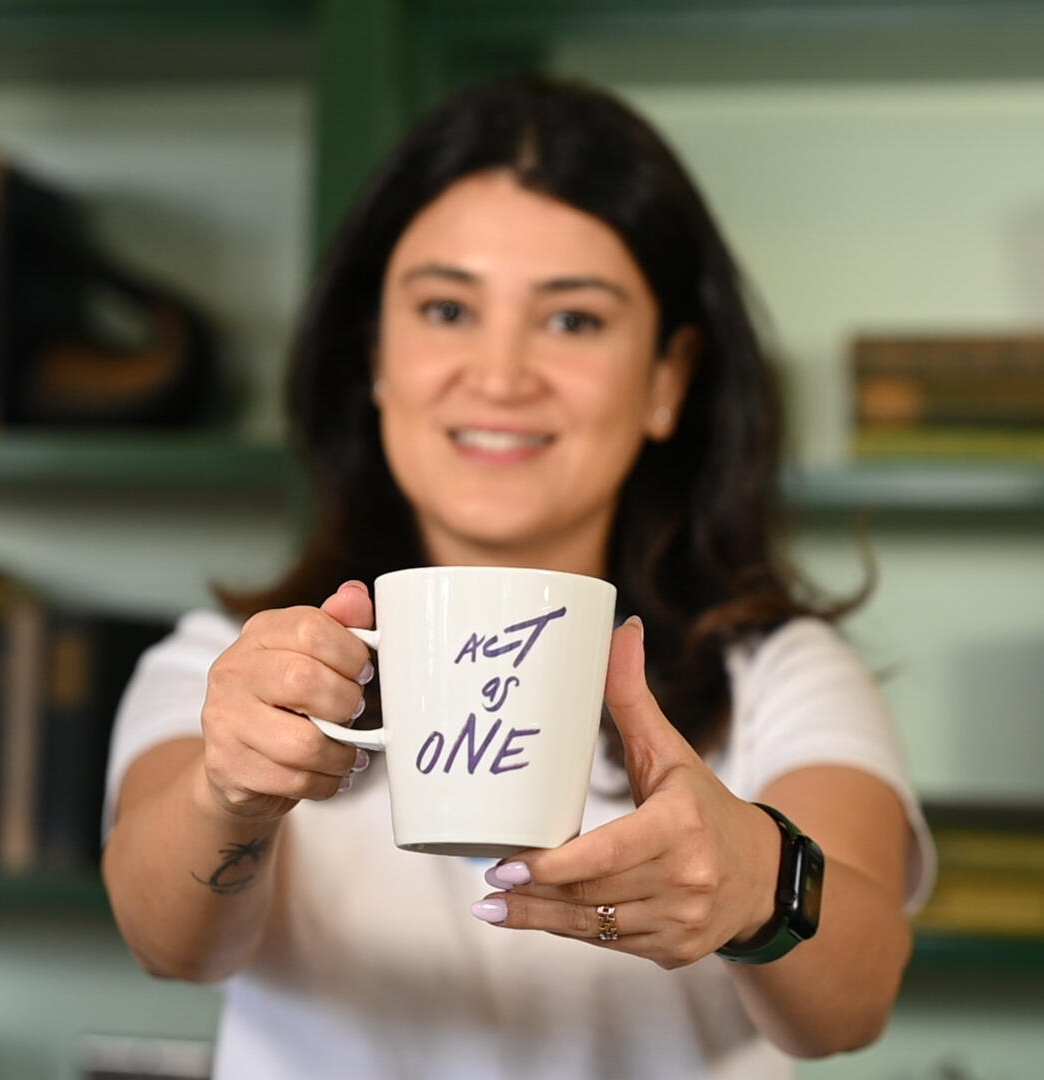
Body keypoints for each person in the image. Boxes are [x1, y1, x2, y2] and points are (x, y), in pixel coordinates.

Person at [100, 75, 935, 1079]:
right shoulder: (233, 670)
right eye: (447, 309)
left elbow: (854, 1001)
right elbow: (172, 945)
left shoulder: (778, 678)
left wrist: (756, 875)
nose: (500, 376)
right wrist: (230, 791)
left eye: (574, 321)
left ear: (667, 380)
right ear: (377, 355)